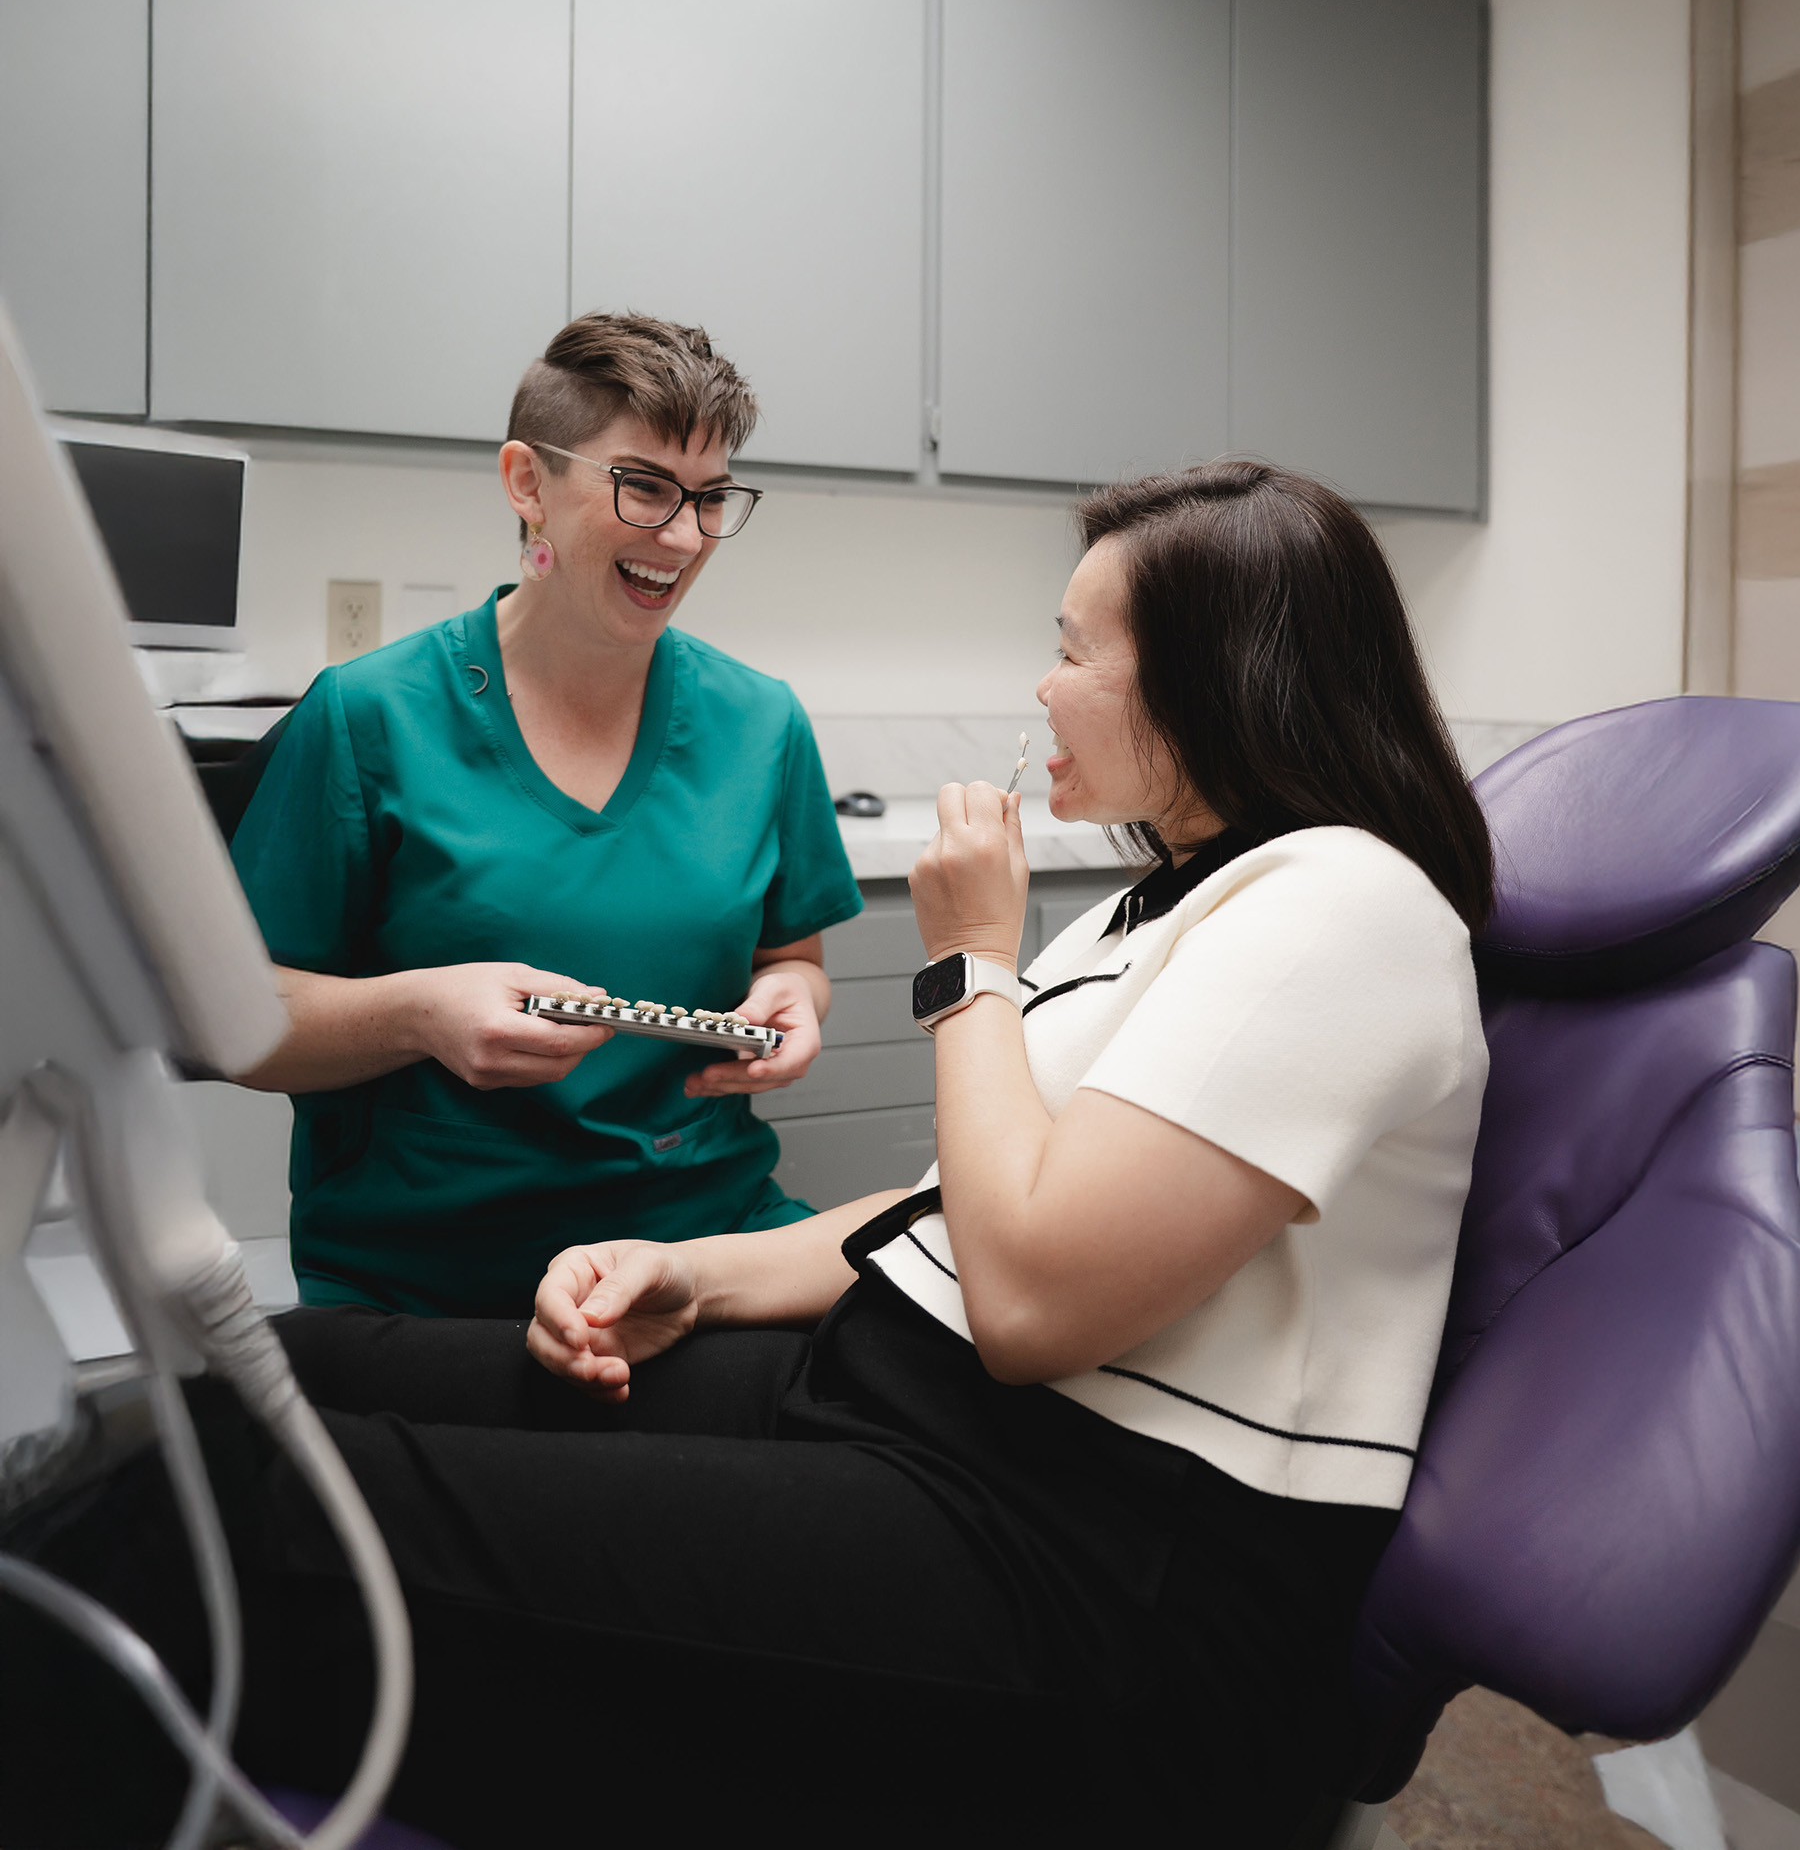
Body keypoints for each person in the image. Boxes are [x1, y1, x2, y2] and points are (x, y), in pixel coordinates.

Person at [0, 461, 1494, 1845]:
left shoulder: (1345, 905)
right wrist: (694, 1275)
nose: (1040, 685)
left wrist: (972, 963)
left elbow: (1037, 1301)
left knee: (207, 1533)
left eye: (1076, 650)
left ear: (1218, 681)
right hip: (901, 1398)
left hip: (1096, 1561)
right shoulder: (1170, 906)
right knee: (268, 1375)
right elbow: (954, 1208)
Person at [228, 313, 863, 1318]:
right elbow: (237, 1023)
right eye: (644, 486)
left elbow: (796, 961)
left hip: (703, 1249)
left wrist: (795, 1002)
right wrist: (419, 1014)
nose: (686, 536)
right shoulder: (368, 715)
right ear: (528, 481)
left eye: (710, 497)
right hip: (435, 1276)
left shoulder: (761, 724)